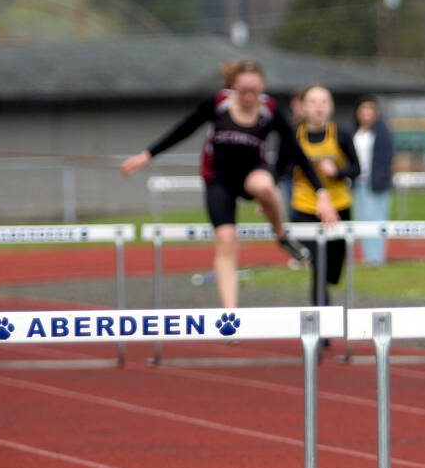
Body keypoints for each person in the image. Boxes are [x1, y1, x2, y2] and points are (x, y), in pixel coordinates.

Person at [121, 59, 339, 308]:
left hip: (252, 174)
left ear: (262, 87)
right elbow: (184, 129)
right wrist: (147, 155)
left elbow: (296, 152)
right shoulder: (218, 104)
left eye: (254, 91)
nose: (249, 97)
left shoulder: (269, 109)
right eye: (243, 91)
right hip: (219, 178)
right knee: (226, 239)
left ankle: (281, 235)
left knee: (265, 186)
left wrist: (321, 193)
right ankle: (230, 312)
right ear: (234, 86)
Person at [291, 84, 358, 306]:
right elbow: (280, 167)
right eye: (313, 102)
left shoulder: (341, 134)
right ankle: (323, 317)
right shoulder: (294, 136)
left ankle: (326, 283)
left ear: (331, 107)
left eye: (324, 102)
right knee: (318, 265)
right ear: (302, 107)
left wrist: (337, 172)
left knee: (332, 271)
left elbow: (357, 168)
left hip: (339, 207)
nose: (319, 107)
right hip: (305, 206)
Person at [352, 96, 395, 265]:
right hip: (358, 183)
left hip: (376, 184)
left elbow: (387, 158)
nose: (366, 113)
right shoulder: (355, 133)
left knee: (376, 220)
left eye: (370, 109)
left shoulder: (382, 132)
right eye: (363, 109)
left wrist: (380, 177)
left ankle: (376, 258)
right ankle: (367, 257)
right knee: (362, 220)